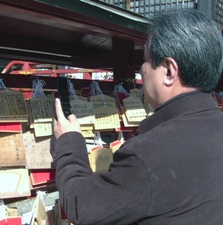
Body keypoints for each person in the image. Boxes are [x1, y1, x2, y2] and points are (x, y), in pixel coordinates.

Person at [52, 8, 223, 225]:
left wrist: (69, 142)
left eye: (145, 60)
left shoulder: (148, 154)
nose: (141, 70)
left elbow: (83, 206)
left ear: (169, 71)